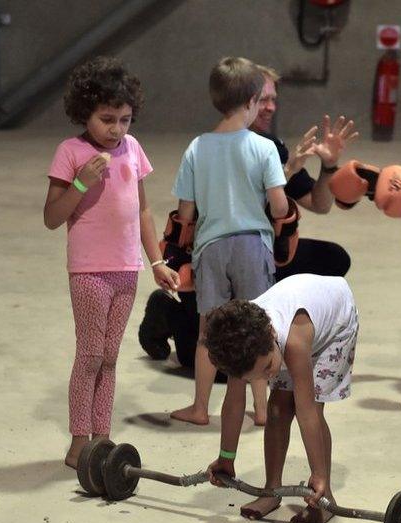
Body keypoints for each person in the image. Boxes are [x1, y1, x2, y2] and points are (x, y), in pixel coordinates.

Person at [138, 64, 356, 373]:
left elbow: (319, 204)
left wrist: (328, 166)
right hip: (212, 255)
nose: (269, 107)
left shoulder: (269, 148)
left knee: (333, 260)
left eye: (273, 99)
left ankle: (286, 329)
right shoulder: (213, 149)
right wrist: (171, 261)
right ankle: (169, 313)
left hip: (257, 251)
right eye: (263, 98)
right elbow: (187, 218)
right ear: (247, 100)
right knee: (210, 361)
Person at [43, 56, 179, 467]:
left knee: (110, 356)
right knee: (89, 355)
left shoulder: (132, 148)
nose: (117, 129)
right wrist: (83, 180)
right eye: (107, 119)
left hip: (126, 269)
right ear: (84, 112)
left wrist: (156, 262)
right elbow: (52, 217)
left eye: (125, 119)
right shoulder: (71, 151)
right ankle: (78, 439)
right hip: (88, 271)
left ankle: (102, 435)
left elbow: (142, 212)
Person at [167, 57, 291, 426]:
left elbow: (185, 212)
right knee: (260, 327)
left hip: (211, 247)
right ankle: (263, 409)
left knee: (209, 331)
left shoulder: (196, 147)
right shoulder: (263, 147)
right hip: (253, 245)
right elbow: (280, 205)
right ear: (253, 99)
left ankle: (201, 407)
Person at [203, 274, 359, 523]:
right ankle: (271, 491)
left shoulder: (293, 342)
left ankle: (326, 495)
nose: (269, 376)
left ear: (272, 334)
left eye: (267, 368)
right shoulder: (240, 347)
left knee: (311, 407)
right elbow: (233, 405)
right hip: (294, 324)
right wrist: (226, 457)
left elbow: (307, 412)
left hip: (335, 325)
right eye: (257, 378)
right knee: (276, 409)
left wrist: (317, 475)